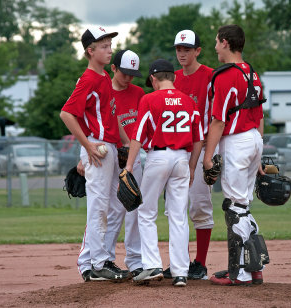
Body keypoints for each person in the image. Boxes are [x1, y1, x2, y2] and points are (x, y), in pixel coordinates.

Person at [59, 26, 130, 282]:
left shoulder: (103, 79)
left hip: (109, 146)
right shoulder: (89, 79)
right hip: (97, 147)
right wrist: (87, 146)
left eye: (110, 45)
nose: (109, 50)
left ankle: (93, 261)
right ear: (90, 51)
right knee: (99, 205)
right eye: (103, 46)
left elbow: (113, 117)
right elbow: (67, 114)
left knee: (115, 205)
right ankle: (98, 263)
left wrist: (126, 145)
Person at [125, 59, 204, 287]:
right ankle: (180, 272)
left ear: (153, 79)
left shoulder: (149, 99)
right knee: (178, 215)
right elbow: (198, 138)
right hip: (182, 158)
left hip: (158, 156)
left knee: (146, 211)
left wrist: (129, 167)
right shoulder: (189, 101)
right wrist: (191, 166)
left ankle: (152, 265)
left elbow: (138, 135)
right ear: (174, 77)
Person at [203, 24, 265, 286]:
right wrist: (259, 153)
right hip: (253, 138)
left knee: (234, 207)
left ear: (226, 43)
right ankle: (255, 268)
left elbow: (218, 121)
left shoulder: (226, 75)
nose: (215, 46)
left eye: (217, 42)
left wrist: (208, 156)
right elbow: (260, 114)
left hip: (237, 141)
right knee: (243, 205)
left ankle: (239, 273)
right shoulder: (252, 72)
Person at [163, 29, 214, 280]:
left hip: (203, 148)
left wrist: (210, 153)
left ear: (197, 51)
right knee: (175, 208)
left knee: (200, 206)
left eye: (186, 49)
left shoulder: (211, 76)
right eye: (178, 49)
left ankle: (200, 264)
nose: (181, 53)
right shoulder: (173, 80)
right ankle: (180, 262)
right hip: (179, 151)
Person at [104, 49, 145, 278]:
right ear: (113, 68)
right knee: (113, 210)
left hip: (134, 156)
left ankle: (135, 260)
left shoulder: (139, 92)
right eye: (125, 73)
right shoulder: (104, 91)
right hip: (111, 156)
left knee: (134, 208)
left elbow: (143, 125)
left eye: (132, 74)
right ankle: (106, 259)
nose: (129, 78)